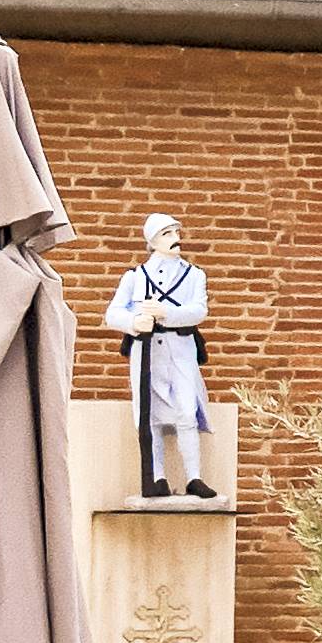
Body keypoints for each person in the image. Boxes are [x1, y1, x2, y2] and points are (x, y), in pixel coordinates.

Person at [100, 211, 216, 502]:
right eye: (167, 234)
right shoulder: (135, 277)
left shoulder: (194, 275)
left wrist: (167, 313)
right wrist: (134, 322)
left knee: (186, 411)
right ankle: (157, 476)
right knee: (148, 415)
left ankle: (194, 477)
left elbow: (199, 311)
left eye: (176, 232)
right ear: (152, 240)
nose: (175, 239)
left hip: (181, 351)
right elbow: (113, 313)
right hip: (148, 352)